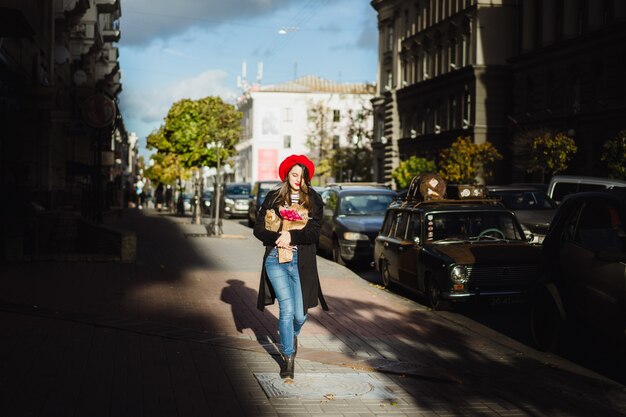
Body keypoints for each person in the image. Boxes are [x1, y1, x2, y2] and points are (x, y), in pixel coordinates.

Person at [253, 154, 328, 380]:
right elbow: (258, 228)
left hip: (301, 263)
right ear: (287, 175)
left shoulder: (314, 200)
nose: (298, 179)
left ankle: (290, 335)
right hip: (276, 259)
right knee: (286, 309)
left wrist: (291, 236)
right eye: (295, 174)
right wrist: (278, 235)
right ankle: (288, 359)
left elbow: (314, 233)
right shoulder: (274, 197)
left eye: (302, 175)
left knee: (300, 315)